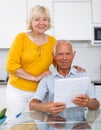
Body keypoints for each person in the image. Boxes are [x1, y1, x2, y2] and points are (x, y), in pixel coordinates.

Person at [6, 5, 85, 117]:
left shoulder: (52, 41)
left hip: (40, 93)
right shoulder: (21, 38)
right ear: (31, 21)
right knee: (17, 123)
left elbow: (58, 62)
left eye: (45, 19)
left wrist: (73, 67)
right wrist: (35, 77)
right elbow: (11, 65)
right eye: (37, 19)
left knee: (38, 124)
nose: (41, 22)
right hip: (18, 91)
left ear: (48, 22)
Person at [29, 40, 99, 115]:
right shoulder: (47, 78)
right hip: (54, 122)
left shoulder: (82, 75)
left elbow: (96, 105)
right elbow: (32, 105)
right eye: (60, 54)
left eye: (68, 54)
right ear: (54, 56)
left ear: (73, 55)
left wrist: (88, 102)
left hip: (78, 124)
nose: (64, 58)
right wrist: (46, 107)